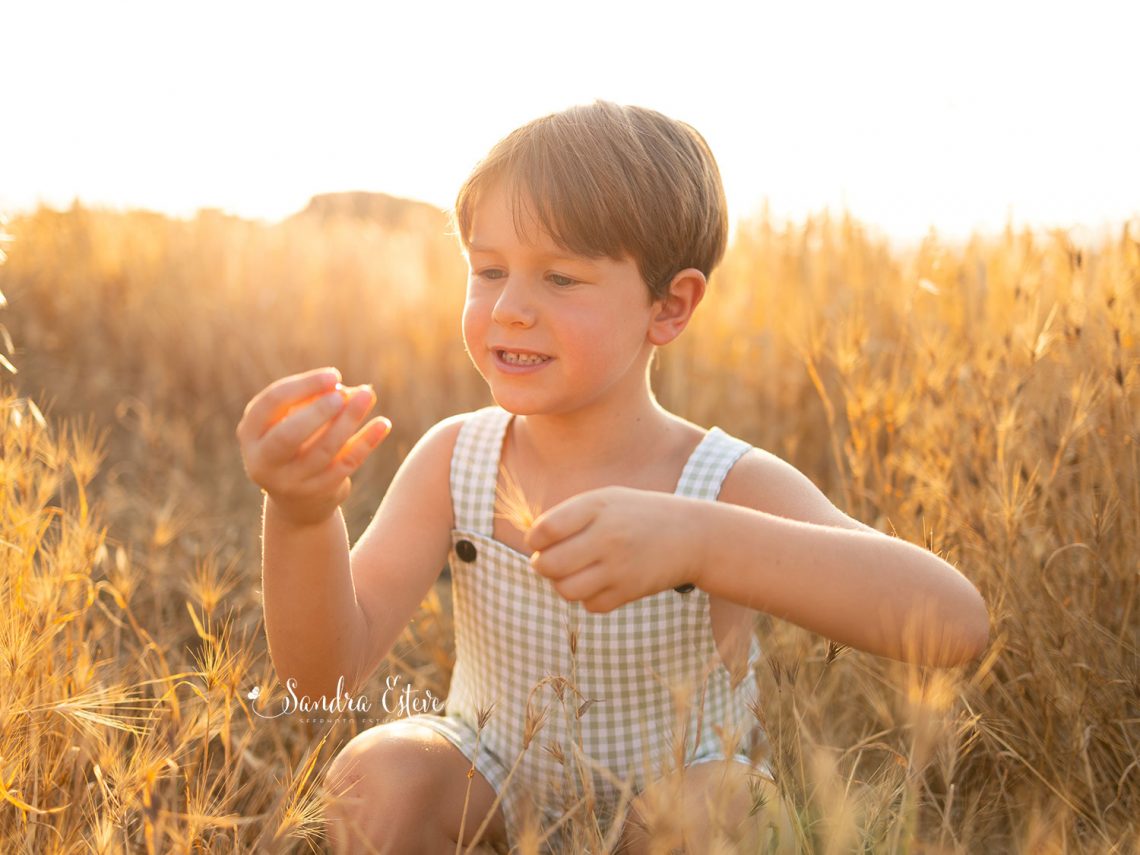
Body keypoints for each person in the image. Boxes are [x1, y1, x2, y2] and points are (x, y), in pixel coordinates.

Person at [235, 100, 990, 854]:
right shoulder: (457, 457)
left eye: (560, 277)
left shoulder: (719, 482)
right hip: (494, 788)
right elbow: (323, 673)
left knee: (723, 809)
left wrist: (701, 541)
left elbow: (953, 622)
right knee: (381, 774)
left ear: (669, 306)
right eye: (489, 269)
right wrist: (301, 516)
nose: (509, 308)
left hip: (671, 804)